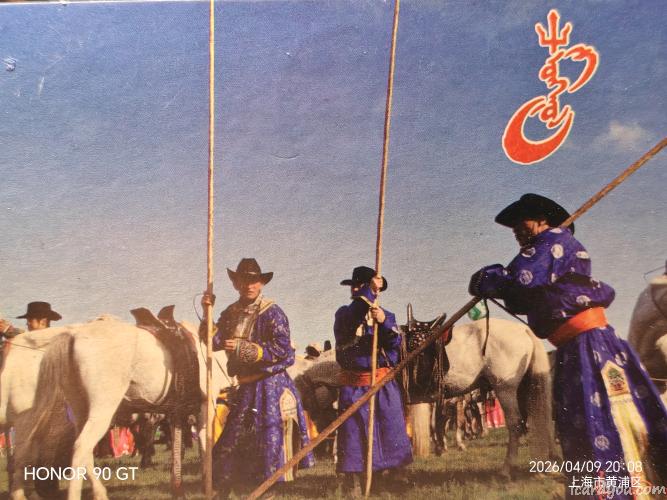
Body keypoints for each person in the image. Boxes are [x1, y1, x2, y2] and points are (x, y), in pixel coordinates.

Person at [468, 193, 667, 498]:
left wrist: (487, 278)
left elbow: (520, 281)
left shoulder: (553, 241)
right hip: (577, 347)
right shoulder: (547, 251)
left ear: (542, 220)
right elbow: (522, 296)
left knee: (600, 420)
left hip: (589, 347)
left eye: (521, 222)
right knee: (583, 422)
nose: (516, 230)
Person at [201, 258, 313, 497]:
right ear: (236, 284)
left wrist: (246, 349)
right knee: (233, 438)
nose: (249, 285)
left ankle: (268, 490)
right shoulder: (231, 312)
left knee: (269, 441)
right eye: (244, 280)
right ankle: (228, 488)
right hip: (245, 387)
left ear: (261, 283)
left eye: (254, 281)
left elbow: (284, 350)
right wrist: (207, 311)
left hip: (270, 386)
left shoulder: (272, 312)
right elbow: (214, 341)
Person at [334, 266, 412, 496]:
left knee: (388, 432)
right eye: (354, 286)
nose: (355, 289)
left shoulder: (388, 315)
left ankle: (386, 481)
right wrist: (368, 293)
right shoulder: (344, 313)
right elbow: (351, 320)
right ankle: (353, 484)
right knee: (354, 437)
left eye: (360, 285)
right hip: (355, 387)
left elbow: (395, 345)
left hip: (382, 385)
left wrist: (384, 322)